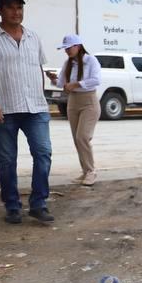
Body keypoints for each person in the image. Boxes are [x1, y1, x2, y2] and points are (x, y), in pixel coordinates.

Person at [0, 0, 55, 224]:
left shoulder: (33, 37)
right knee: (7, 160)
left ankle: (39, 203)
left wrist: (41, 96)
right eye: (10, 7)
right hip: (4, 109)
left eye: (19, 7)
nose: (16, 12)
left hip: (35, 109)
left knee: (43, 153)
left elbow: (37, 69)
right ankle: (12, 206)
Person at [49, 35, 102, 186]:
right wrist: (53, 79)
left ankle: (91, 171)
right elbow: (61, 84)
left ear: (78, 46)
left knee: (82, 137)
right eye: (65, 48)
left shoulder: (91, 60)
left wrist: (77, 84)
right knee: (76, 139)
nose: (67, 51)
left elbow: (97, 80)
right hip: (73, 102)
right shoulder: (68, 63)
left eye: (69, 47)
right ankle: (85, 171)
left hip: (89, 102)